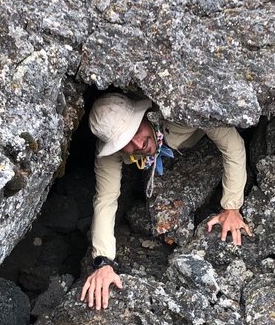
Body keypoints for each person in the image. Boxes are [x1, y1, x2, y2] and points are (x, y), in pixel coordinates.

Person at [80, 93, 251, 310]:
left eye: (135, 130)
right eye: (124, 143)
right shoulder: (110, 153)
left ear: (144, 116)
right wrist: (103, 262)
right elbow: (105, 198)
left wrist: (231, 207)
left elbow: (232, 143)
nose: (138, 144)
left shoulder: (178, 109)